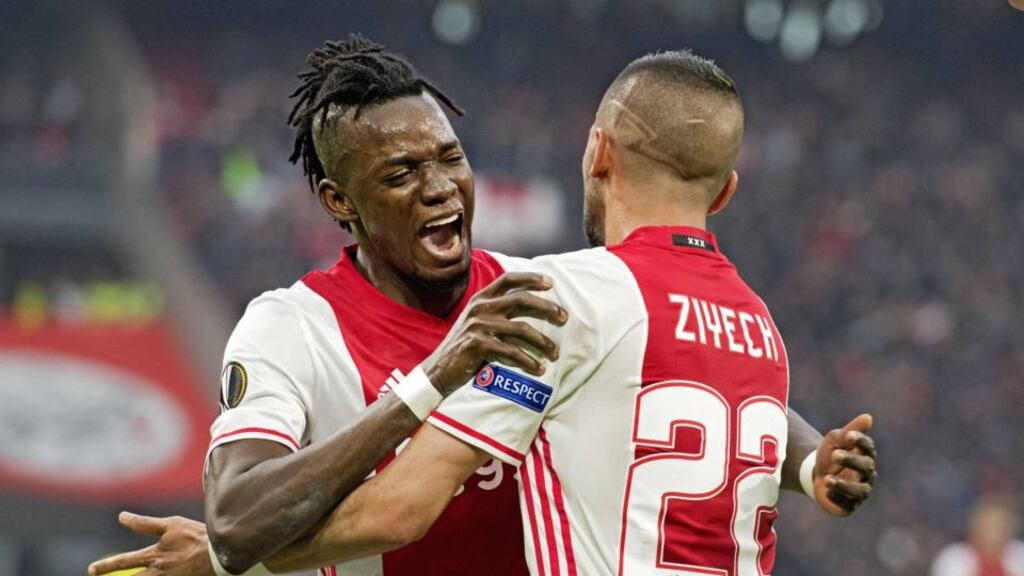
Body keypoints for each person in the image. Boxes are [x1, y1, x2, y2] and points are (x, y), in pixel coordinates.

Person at [89, 39, 876, 576]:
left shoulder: (540, 298)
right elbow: (238, 516)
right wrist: (432, 380)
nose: (439, 188)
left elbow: (671, 364)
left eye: (450, 159)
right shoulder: (291, 329)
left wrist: (809, 458)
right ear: (339, 201)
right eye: (401, 174)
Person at [930, 495, 1024, 576]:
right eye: (987, 526)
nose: (994, 533)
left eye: (1000, 526)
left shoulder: (1020, 556)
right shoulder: (953, 559)